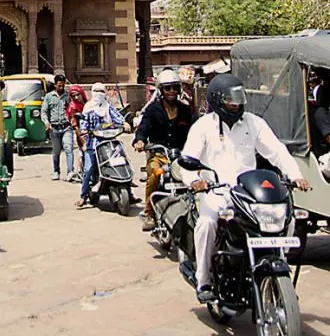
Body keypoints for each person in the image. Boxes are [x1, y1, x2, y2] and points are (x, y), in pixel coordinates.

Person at [180, 73, 310, 303]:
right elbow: (187, 161)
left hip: (250, 193)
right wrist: (194, 181)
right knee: (206, 223)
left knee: (285, 218)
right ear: (218, 100)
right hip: (218, 192)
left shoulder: (253, 122)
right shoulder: (203, 126)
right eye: (231, 100)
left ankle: (280, 275)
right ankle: (203, 280)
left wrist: (296, 175)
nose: (237, 104)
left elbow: (277, 151)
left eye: (240, 98)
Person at [133, 68, 194, 230]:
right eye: (168, 88)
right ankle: (149, 213)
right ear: (161, 90)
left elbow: (197, 129)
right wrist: (140, 140)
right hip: (159, 155)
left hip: (182, 156)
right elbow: (143, 128)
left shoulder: (186, 110)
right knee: (153, 175)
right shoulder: (153, 110)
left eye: (175, 87)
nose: (172, 91)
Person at [76, 83, 128, 209]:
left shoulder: (108, 106)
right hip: (92, 144)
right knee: (88, 168)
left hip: (109, 141)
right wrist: (84, 130)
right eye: (96, 91)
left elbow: (117, 117)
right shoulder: (88, 108)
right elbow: (83, 123)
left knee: (122, 160)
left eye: (101, 91)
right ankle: (83, 196)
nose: (99, 94)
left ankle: (129, 192)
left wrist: (124, 123)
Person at [41, 74, 76, 181]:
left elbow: (74, 109)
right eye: (59, 85)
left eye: (63, 85)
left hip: (66, 127)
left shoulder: (68, 96)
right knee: (56, 151)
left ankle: (70, 172)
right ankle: (56, 171)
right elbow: (44, 112)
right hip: (54, 128)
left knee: (68, 148)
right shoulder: (49, 97)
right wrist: (46, 123)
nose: (61, 87)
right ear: (55, 85)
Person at [66, 85, 87, 174]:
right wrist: (82, 140)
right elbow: (75, 126)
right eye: (73, 96)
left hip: (91, 131)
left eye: (78, 95)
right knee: (83, 152)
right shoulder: (73, 107)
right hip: (80, 132)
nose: (76, 97)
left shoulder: (87, 104)